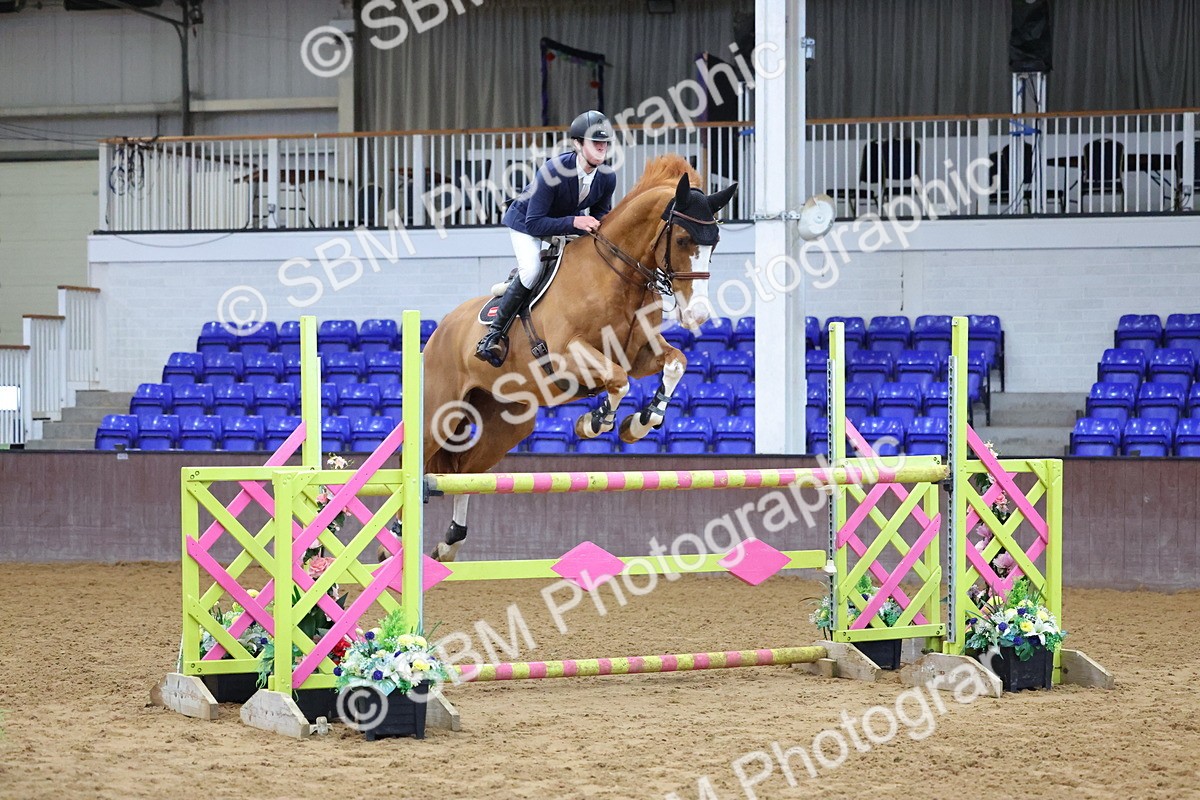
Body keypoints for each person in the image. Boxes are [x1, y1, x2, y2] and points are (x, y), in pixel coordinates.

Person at [474, 110, 618, 367]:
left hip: (564, 223)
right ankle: (494, 334)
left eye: (604, 142)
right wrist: (575, 222)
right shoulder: (553, 170)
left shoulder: (607, 177)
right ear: (577, 144)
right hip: (527, 223)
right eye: (595, 142)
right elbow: (535, 222)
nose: (601, 147)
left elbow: (600, 217)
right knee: (532, 270)